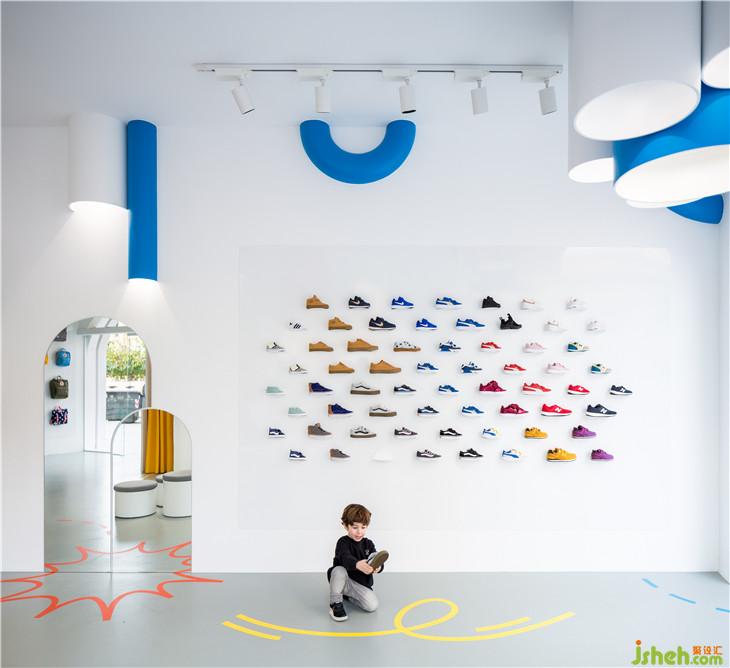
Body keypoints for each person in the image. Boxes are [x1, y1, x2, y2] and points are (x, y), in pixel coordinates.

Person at [327, 503, 389, 622]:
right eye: (355, 527)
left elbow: (375, 557)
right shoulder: (343, 542)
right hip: (343, 579)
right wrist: (357, 564)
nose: (359, 532)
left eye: (363, 527)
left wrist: (378, 567)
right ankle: (335, 603)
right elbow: (345, 558)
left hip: (359, 585)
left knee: (372, 606)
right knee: (338, 570)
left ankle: (348, 596)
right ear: (345, 526)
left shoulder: (368, 543)